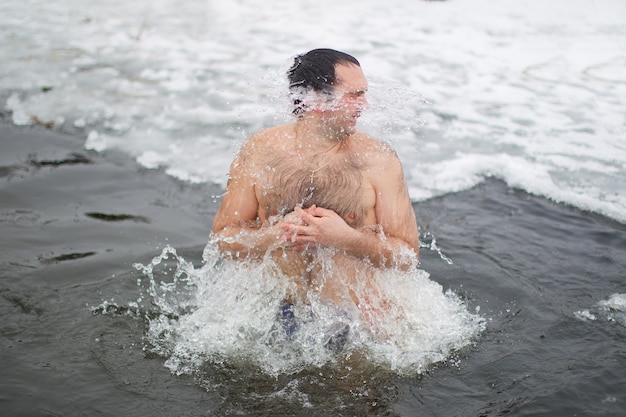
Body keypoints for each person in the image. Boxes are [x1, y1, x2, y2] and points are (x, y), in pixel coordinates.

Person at [211, 48, 419, 320]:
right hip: (272, 312)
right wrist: (274, 236)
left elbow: (407, 257)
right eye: (355, 95)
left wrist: (345, 238)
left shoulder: (378, 160)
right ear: (314, 98)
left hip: (354, 321)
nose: (365, 105)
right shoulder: (259, 151)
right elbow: (222, 241)